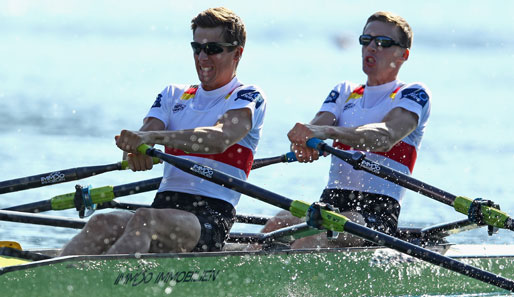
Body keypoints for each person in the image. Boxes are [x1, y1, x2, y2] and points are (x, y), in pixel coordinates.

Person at [61, 7, 267, 255]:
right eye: (197, 48)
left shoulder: (247, 96)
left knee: (145, 220)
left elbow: (219, 138)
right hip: (163, 207)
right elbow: (144, 135)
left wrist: (153, 139)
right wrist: (134, 150)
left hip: (209, 218)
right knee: (102, 222)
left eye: (213, 49)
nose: (202, 57)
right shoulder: (173, 94)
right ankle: (50, 282)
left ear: (237, 53)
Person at [262, 11, 431, 248]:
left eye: (382, 43)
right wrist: (303, 140)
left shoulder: (412, 94)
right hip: (331, 202)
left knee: (312, 238)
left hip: (377, 213)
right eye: (366, 40)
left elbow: (385, 136)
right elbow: (316, 127)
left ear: (403, 55)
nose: (371, 47)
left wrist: (329, 134)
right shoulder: (345, 92)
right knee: (277, 225)